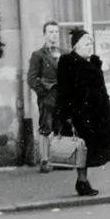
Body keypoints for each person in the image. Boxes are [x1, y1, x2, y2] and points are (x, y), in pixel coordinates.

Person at [55, 26, 110, 196]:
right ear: (76, 47)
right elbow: (64, 91)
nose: (90, 46)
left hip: (95, 114)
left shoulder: (92, 62)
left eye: (91, 43)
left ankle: (83, 181)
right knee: (82, 149)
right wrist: (66, 116)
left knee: (89, 149)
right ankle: (82, 182)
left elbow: (101, 88)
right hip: (80, 115)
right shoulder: (69, 63)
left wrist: (106, 109)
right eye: (86, 43)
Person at [27, 19, 61, 173]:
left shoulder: (64, 53)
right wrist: (44, 94)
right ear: (44, 35)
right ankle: (44, 161)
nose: (54, 35)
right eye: (50, 32)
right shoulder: (38, 55)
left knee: (61, 127)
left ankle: (61, 159)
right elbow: (31, 79)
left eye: (56, 32)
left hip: (62, 97)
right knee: (45, 128)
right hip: (47, 98)